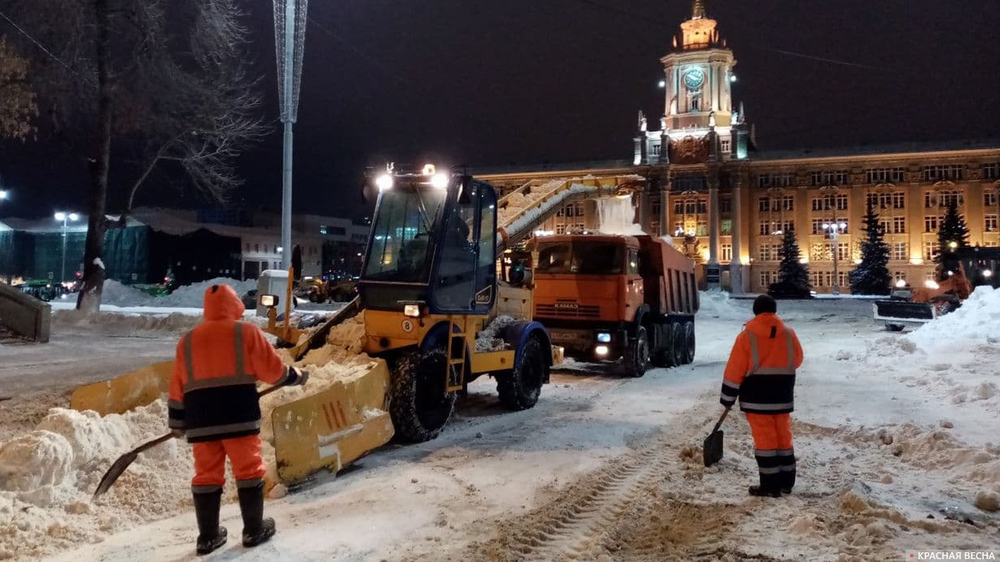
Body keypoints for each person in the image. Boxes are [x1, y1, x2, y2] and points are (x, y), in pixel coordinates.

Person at [168, 284, 307, 555]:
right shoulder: (245, 333)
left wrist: (177, 420)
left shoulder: (187, 341)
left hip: (201, 421)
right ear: (234, 305)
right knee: (248, 469)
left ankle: (208, 537)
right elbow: (273, 371)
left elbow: (177, 385)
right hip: (238, 417)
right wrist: (296, 376)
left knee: (206, 473)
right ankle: (253, 529)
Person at [719, 295, 804, 497]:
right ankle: (786, 482)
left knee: (765, 441)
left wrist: (727, 398)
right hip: (782, 397)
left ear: (755, 311)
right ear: (774, 310)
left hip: (757, 399)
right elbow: (798, 359)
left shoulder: (746, 337)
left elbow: (734, 370)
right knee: (783, 436)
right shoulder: (789, 334)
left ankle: (770, 485)